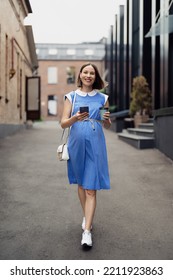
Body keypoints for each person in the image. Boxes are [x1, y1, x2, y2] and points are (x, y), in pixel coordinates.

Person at [61, 62, 111, 249]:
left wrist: (107, 120)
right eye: (85, 72)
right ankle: (87, 217)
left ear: (95, 76)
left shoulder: (102, 98)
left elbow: (107, 125)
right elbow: (63, 123)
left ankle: (87, 232)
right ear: (80, 75)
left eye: (92, 73)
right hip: (76, 145)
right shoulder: (71, 97)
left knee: (91, 188)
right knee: (82, 184)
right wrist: (75, 118)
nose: (88, 75)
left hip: (96, 145)